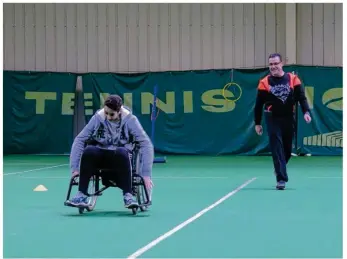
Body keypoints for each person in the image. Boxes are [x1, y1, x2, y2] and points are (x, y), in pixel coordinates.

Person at [66, 94, 154, 208]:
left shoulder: (130, 120)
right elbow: (79, 139)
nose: (108, 116)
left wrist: (146, 174)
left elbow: (146, 144)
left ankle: (128, 195)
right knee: (89, 151)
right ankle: (81, 194)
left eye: (112, 114)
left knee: (122, 152)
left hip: (120, 157)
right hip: (101, 154)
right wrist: (75, 168)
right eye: (106, 113)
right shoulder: (98, 118)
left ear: (120, 111)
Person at [254, 53, 312, 190]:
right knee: (276, 147)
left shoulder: (293, 79)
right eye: (271, 64)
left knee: (287, 148)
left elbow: (301, 98)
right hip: (272, 117)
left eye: (276, 63)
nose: (273, 66)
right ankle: (281, 179)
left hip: (288, 117)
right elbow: (258, 104)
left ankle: (280, 167)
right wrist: (257, 123)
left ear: (282, 64)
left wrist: (306, 112)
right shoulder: (264, 82)